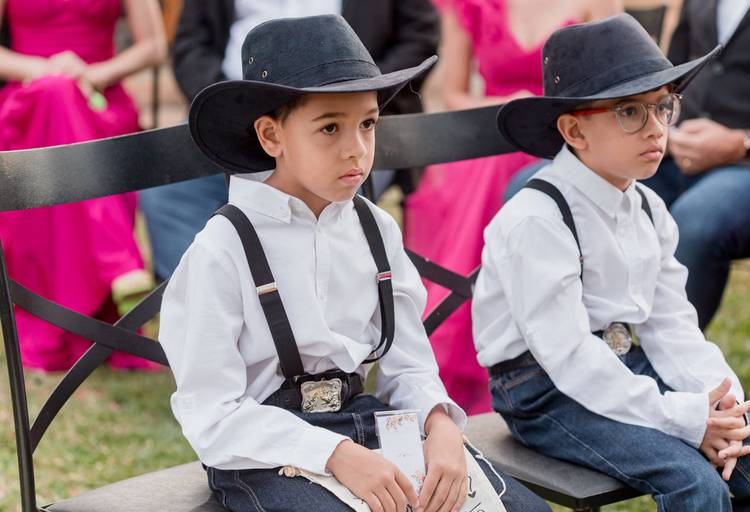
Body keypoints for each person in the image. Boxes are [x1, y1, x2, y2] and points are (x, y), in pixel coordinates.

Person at [158, 15, 550, 512]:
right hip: (264, 451)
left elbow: (408, 363)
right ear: (271, 136)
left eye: (367, 123)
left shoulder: (375, 228)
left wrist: (439, 424)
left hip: (366, 425)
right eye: (330, 128)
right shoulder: (223, 249)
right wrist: (335, 454)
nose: (357, 150)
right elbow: (212, 414)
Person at [473, 14, 750, 510]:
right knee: (693, 481)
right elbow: (570, 360)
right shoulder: (536, 220)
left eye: (663, 107)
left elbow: (671, 324)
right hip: (542, 389)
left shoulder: (649, 207)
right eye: (630, 112)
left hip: (623, 365)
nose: (656, 129)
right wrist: (684, 419)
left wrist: (720, 402)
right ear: (575, 130)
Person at [404, 0, 621, 415]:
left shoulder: (595, 3)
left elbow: (610, 87)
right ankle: (468, 362)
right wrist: (506, 107)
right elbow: (453, 94)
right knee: (489, 174)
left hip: (565, 143)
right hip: (491, 138)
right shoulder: (469, 6)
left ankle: (553, 355)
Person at [140, 0, 440, 282]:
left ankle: (318, 295)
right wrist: (232, 110)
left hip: (352, 106)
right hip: (238, 109)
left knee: (331, 195)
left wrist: (359, 92)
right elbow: (190, 44)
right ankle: (208, 289)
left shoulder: (376, 213)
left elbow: (420, 33)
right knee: (169, 192)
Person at [0, 0, 166, 371]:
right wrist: (45, 72)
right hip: (29, 101)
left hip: (99, 98)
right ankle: (118, 263)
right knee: (54, 93)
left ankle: (109, 282)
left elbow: (154, 45)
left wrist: (94, 74)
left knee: (61, 95)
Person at [643, 0, 750, 330]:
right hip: (676, 152)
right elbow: (672, 71)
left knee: (696, 221)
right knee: (566, 185)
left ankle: (670, 354)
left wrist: (746, 141)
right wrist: (663, 129)